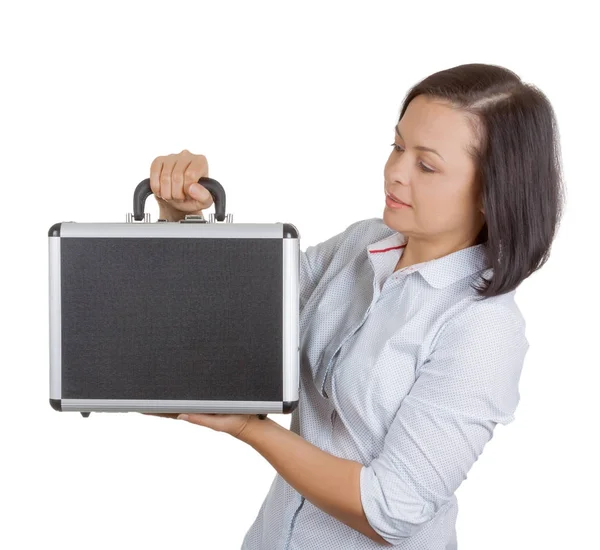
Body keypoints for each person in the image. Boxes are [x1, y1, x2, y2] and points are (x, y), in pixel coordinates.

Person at [142, 63, 564, 549]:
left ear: (493, 192)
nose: (395, 173)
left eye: (426, 165)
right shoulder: (362, 244)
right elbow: (218, 324)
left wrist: (249, 429)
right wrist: (179, 218)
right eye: (397, 147)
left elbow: (391, 510)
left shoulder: (484, 330)